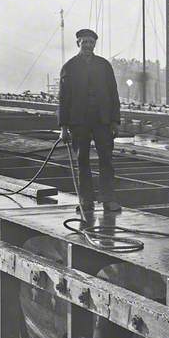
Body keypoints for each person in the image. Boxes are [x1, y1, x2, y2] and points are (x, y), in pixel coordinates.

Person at [58, 28, 121, 215]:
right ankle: (86, 202)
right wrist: (63, 127)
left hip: (102, 121)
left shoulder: (104, 66)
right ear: (78, 43)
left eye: (91, 42)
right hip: (79, 122)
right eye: (84, 42)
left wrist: (115, 121)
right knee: (82, 161)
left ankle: (108, 200)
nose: (88, 45)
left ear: (95, 44)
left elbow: (113, 94)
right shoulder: (69, 67)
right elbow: (63, 98)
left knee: (106, 161)